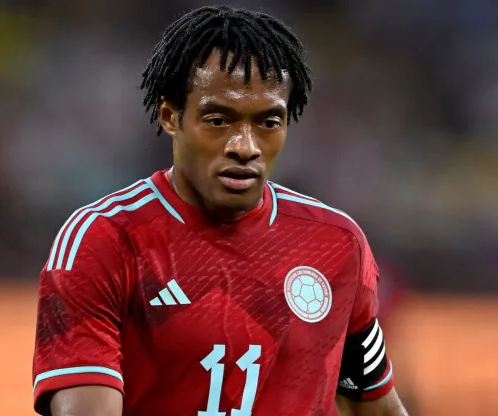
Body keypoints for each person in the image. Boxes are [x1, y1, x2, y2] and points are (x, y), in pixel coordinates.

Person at [32, 5, 408, 416]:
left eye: (267, 123)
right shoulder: (103, 241)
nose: (245, 146)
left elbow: (376, 405)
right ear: (170, 115)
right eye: (218, 120)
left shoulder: (337, 246)